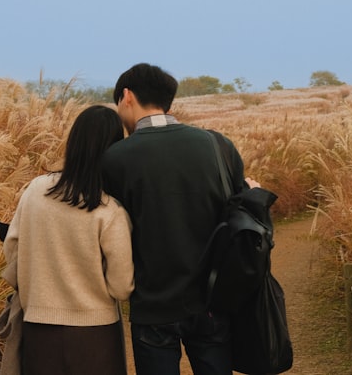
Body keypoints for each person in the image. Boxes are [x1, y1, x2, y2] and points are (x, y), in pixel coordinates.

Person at [101, 63, 252, 375]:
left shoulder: (115, 158)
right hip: (212, 299)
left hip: (153, 305)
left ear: (127, 96)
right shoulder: (217, 145)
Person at [2, 105, 135, 375]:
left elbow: (12, 248)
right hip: (95, 336)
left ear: (73, 143)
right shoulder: (109, 211)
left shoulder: (36, 190)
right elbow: (121, 287)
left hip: (38, 328)